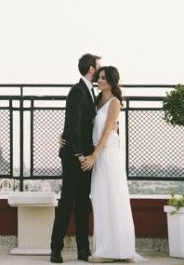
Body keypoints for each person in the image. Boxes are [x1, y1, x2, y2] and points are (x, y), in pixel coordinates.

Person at [81, 66, 142, 262]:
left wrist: (93, 157)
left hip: (108, 155)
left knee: (112, 199)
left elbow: (107, 132)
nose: (99, 81)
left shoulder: (115, 103)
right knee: (100, 200)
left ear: (112, 82)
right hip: (98, 155)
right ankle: (105, 248)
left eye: (103, 78)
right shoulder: (97, 101)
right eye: (98, 78)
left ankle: (115, 250)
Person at [50, 53, 101, 263]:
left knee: (83, 203)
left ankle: (83, 250)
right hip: (75, 157)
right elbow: (73, 124)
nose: (101, 70)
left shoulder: (91, 93)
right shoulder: (77, 91)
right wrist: (80, 154)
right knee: (67, 202)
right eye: (99, 67)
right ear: (91, 69)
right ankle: (55, 250)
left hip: (86, 156)